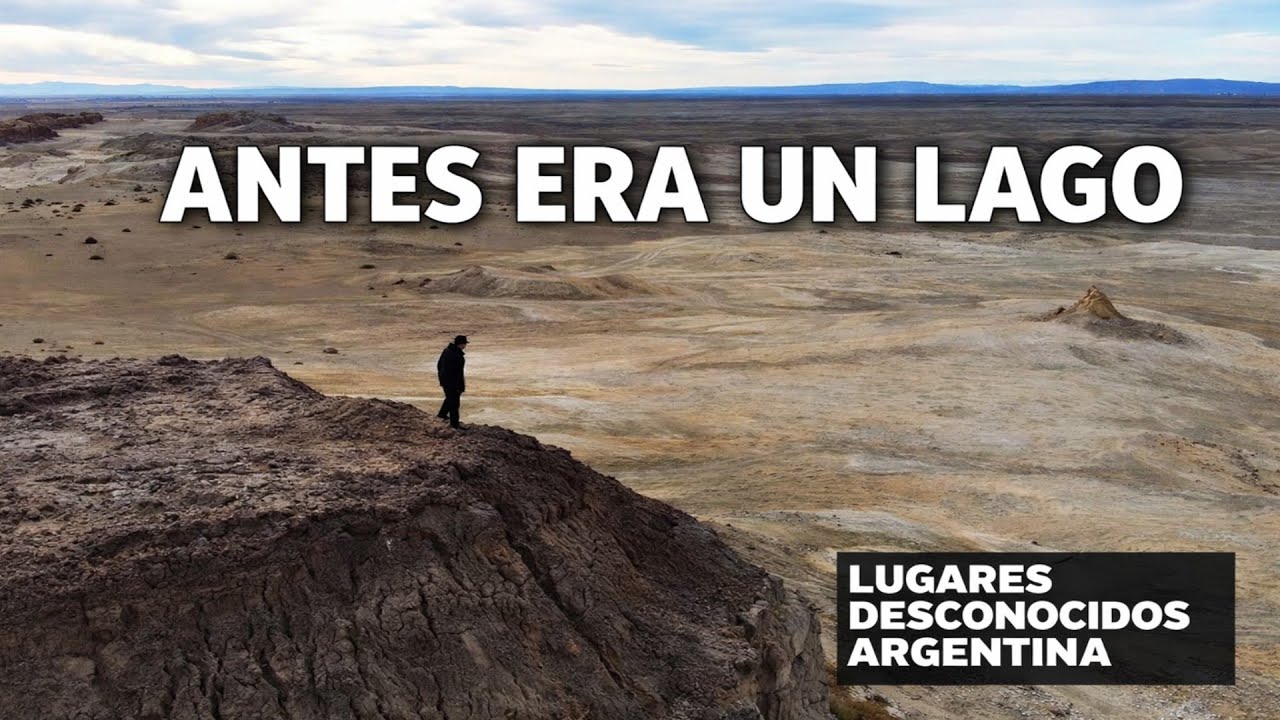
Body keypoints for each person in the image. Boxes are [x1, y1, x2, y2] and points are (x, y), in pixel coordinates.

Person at [436, 335, 468, 429]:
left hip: (446, 381)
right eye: (465, 344)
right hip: (453, 383)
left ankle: (442, 414)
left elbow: (439, 365)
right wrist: (459, 386)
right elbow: (457, 373)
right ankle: (454, 424)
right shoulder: (456, 355)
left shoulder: (447, 351)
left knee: (449, 399)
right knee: (454, 403)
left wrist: (442, 378)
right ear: (461, 344)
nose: (465, 345)